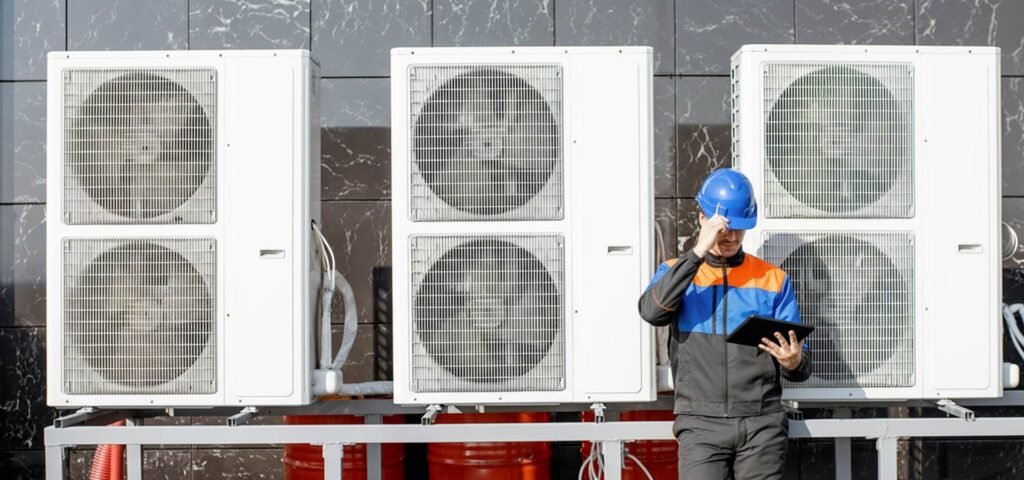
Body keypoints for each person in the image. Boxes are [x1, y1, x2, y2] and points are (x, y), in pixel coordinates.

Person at [638, 168, 812, 479]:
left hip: (762, 425)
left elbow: (800, 366)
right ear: (702, 219)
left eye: (739, 230)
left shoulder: (773, 279)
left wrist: (794, 361)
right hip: (700, 424)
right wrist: (697, 253)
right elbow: (652, 312)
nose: (731, 238)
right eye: (724, 229)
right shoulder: (675, 272)